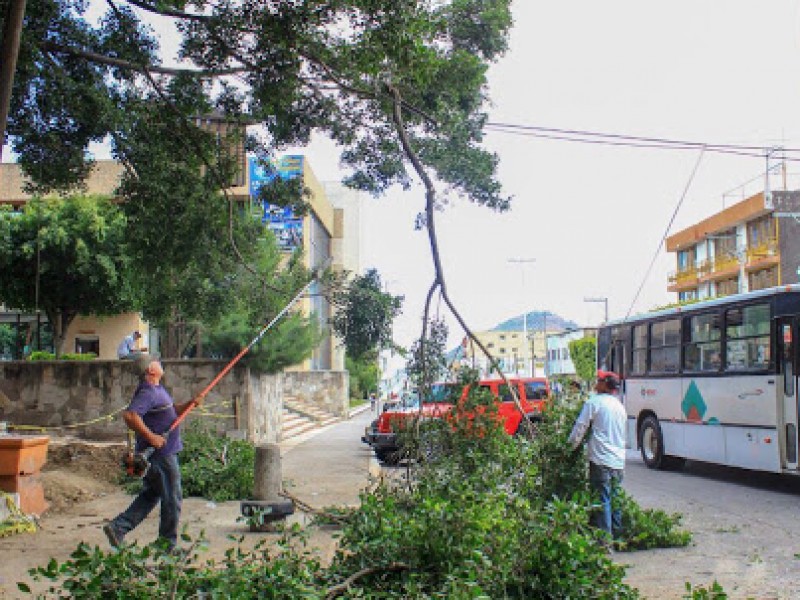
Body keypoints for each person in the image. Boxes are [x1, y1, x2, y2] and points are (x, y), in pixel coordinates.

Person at [103, 360, 200, 550]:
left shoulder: (158, 390)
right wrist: (151, 437)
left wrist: (190, 404)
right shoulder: (148, 392)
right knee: (172, 497)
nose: (159, 362)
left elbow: (171, 410)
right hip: (161, 455)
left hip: (162, 453)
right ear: (151, 370)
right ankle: (166, 546)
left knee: (152, 494)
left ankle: (118, 527)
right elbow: (130, 415)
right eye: (155, 360)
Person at [568, 370, 626, 545]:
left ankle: (605, 543)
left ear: (604, 384)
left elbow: (580, 428)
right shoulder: (619, 406)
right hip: (618, 460)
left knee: (603, 500)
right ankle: (618, 537)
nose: (595, 382)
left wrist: (568, 449)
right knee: (615, 498)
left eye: (599, 380)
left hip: (600, 459)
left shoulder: (594, 403)